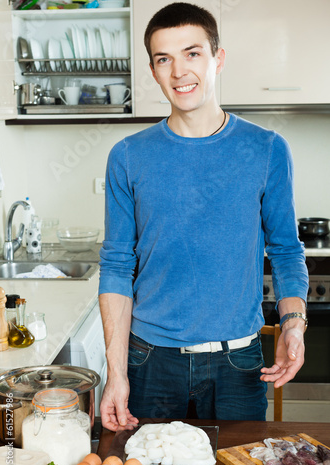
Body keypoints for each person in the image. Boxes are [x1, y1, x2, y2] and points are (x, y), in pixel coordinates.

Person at [98, 2, 309, 432]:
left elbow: (286, 251)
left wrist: (293, 324)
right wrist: (116, 373)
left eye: (192, 53)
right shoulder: (127, 156)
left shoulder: (266, 149)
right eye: (164, 59)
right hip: (150, 361)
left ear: (218, 58)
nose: (179, 72)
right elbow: (117, 266)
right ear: (153, 71)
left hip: (238, 363)